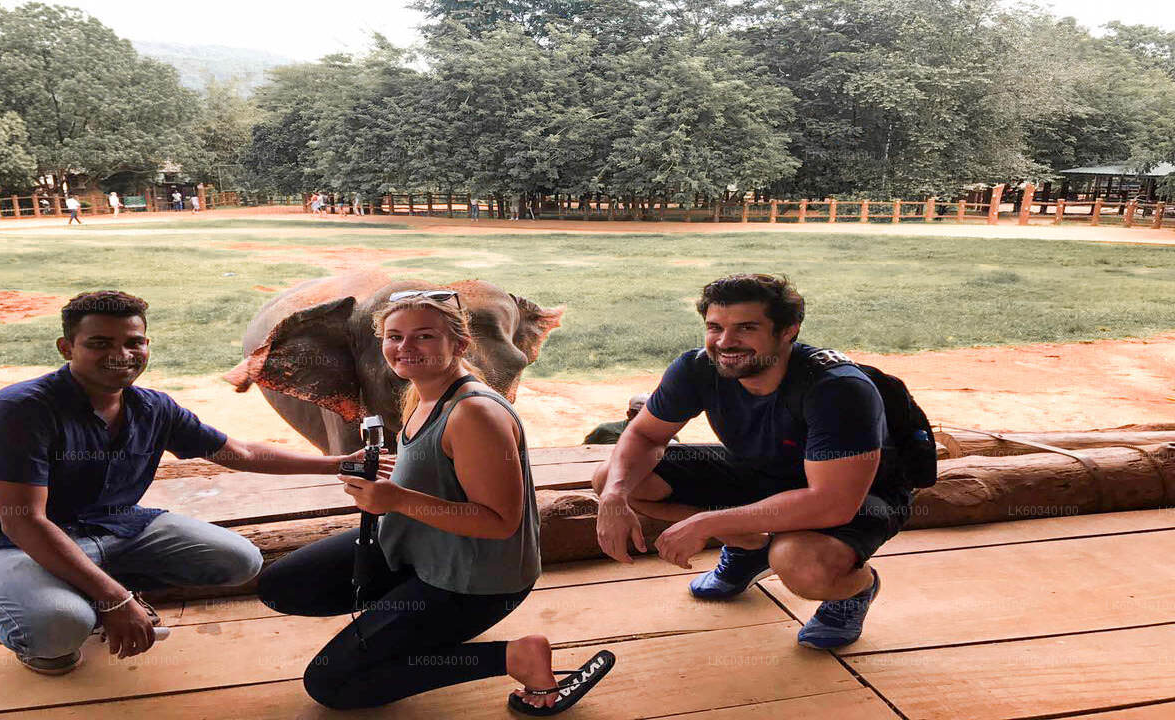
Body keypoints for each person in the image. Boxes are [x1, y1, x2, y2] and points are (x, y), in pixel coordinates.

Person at [0, 290, 372, 676]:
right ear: (66, 347)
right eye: (100, 343)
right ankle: (52, 621)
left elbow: (240, 453)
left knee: (239, 560)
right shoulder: (18, 411)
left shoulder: (152, 407)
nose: (121, 355)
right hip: (11, 543)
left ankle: (88, 585)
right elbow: (23, 522)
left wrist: (338, 464)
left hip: (114, 526)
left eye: (134, 342)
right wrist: (115, 599)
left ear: (147, 344)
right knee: (57, 631)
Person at [257, 290, 614, 715]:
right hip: (420, 549)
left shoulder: (475, 413)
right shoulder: (423, 393)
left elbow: (500, 522)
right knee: (282, 586)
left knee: (331, 684)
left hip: (473, 581)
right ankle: (408, 624)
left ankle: (515, 657)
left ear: (460, 344)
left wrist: (397, 498)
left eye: (424, 336)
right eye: (394, 337)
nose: (405, 347)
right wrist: (397, 477)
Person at [593, 273, 913, 650]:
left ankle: (855, 589)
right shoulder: (698, 368)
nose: (725, 342)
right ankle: (750, 548)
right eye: (715, 327)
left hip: (859, 495)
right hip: (764, 471)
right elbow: (645, 436)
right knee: (615, 477)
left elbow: (831, 502)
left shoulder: (837, 389)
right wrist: (613, 495)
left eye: (746, 328)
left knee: (801, 563)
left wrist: (708, 523)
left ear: (788, 331)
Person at [582, 394, 679, 445]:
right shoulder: (604, 430)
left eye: (646, 415)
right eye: (637, 414)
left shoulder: (667, 435)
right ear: (629, 414)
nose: (642, 419)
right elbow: (584, 452)